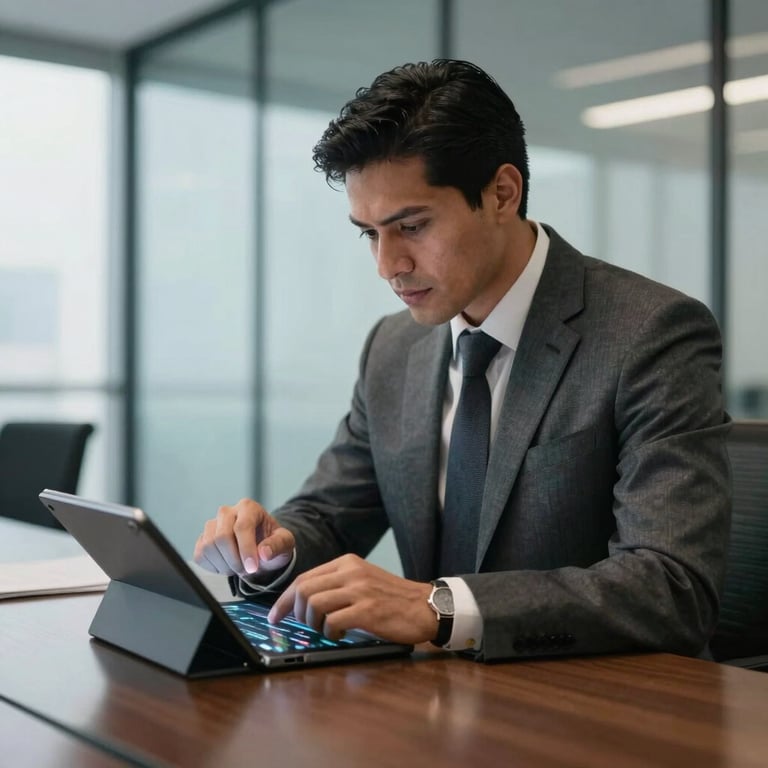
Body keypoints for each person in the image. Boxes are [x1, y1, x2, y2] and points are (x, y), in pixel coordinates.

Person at [194, 59, 731, 661]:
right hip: (435, 702)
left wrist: (439, 609)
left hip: (599, 708)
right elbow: (333, 513)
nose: (387, 264)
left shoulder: (649, 334)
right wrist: (274, 548)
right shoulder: (392, 348)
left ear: (502, 193)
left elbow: (671, 586)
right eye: (369, 233)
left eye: (412, 226)